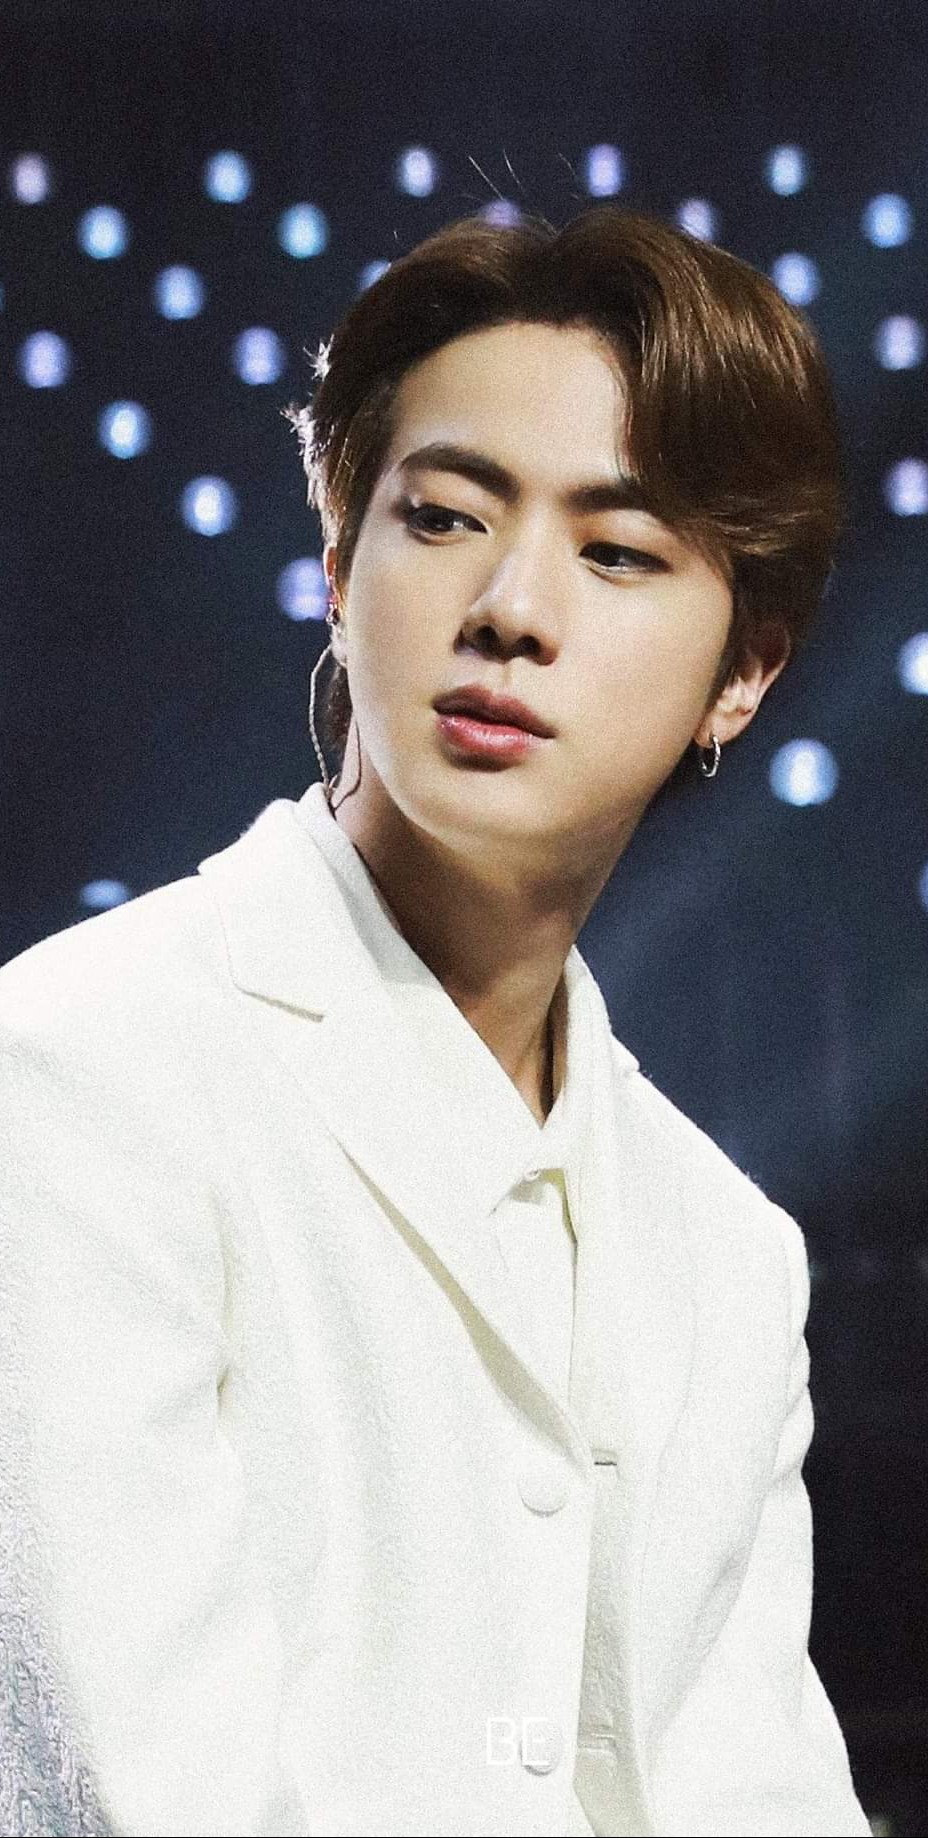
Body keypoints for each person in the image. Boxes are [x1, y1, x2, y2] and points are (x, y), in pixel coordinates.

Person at [0, 204, 872, 1836]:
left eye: (617, 552)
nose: (512, 607)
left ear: (744, 670)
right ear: (340, 567)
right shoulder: (78, 1074)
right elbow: (132, 1788)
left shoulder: (725, 1249)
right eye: (447, 516)